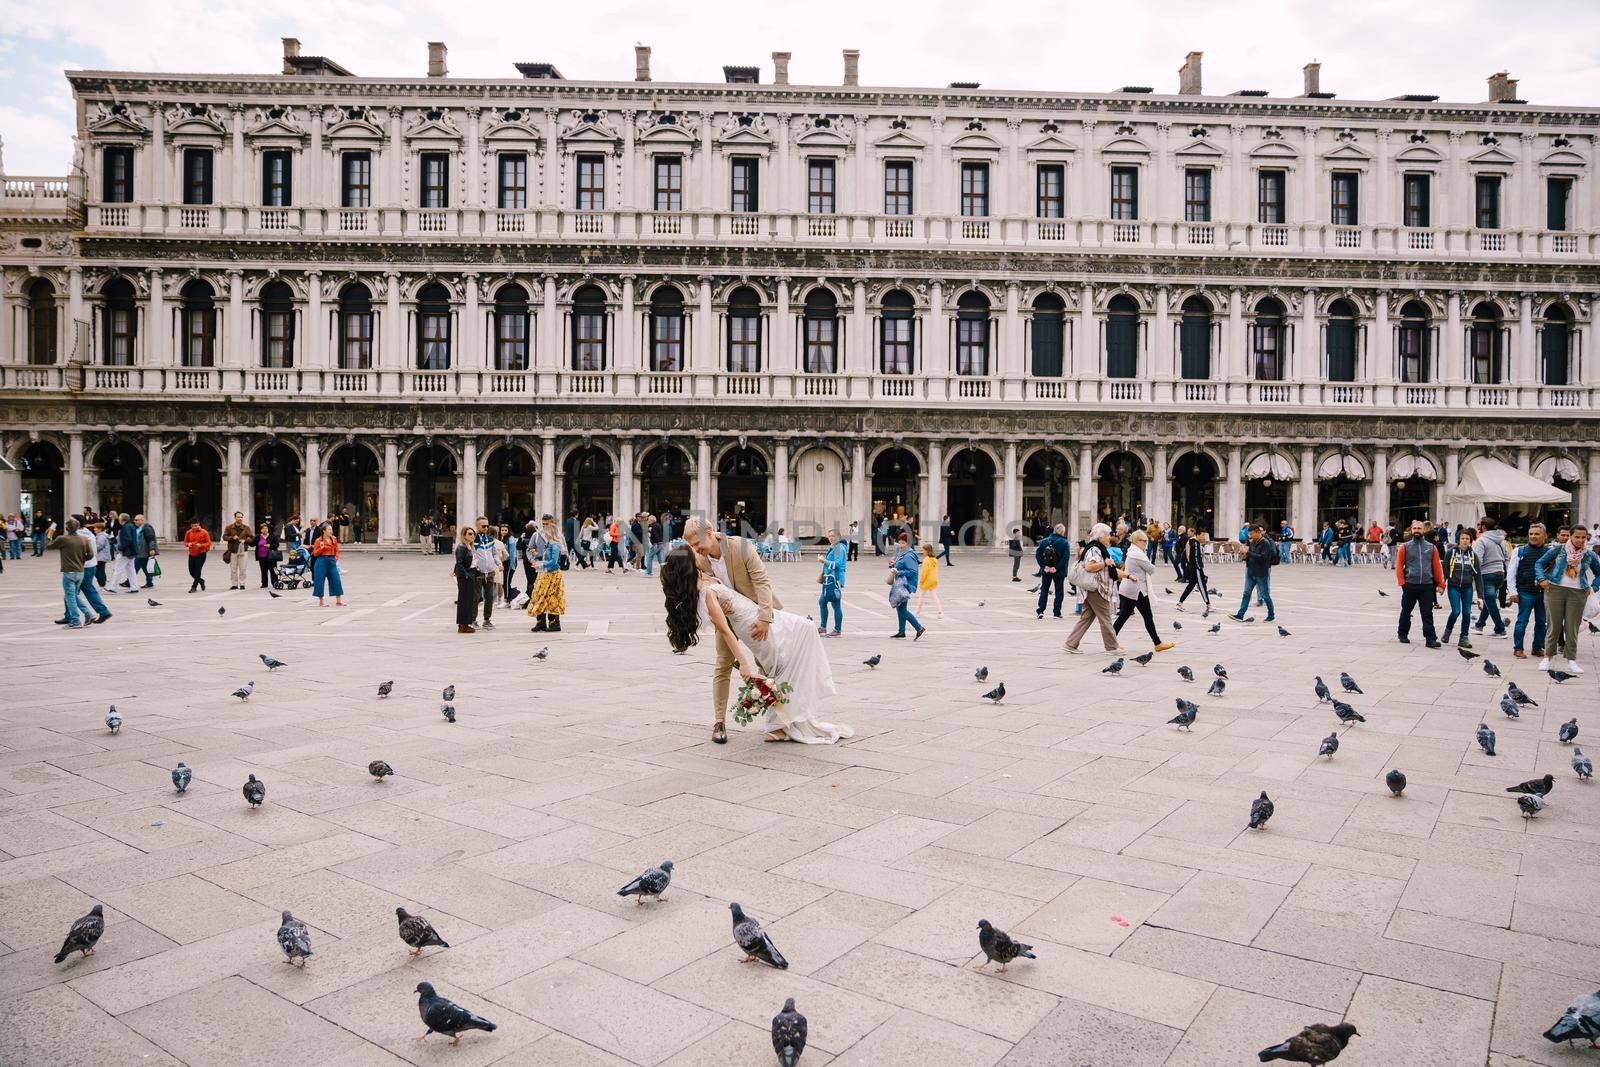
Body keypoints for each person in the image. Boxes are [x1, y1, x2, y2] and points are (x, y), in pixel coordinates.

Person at [662, 543, 851, 745]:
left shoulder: (704, 574)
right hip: (749, 625)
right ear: (690, 563)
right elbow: (725, 631)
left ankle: (785, 721)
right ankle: (768, 726)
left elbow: (749, 583)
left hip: (755, 615)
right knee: (783, 661)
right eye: (694, 553)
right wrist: (743, 662)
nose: (699, 554)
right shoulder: (705, 591)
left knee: (801, 638)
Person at [681, 515, 783, 745]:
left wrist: (766, 618)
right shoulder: (700, 558)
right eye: (692, 547)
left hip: (755, 613)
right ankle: (719, 722)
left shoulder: (741, 546)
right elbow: (697, 581)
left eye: (698, 544)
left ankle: (777, 724)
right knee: (723, 664)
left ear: (710, 533)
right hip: (726, 617)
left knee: (767, 664)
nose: (696, 550)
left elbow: (762, 582)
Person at [1535, 523, 1600, 673]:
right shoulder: (1558, 549)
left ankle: (1571, 661)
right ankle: (1548, 658)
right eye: (1577, 537)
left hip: (1578, 593)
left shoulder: (1589, 554)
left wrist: (1593, 587)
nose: (1580, 540)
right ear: (1570, 536)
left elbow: (1599, 574)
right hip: (1555, 589)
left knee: (1572, 628)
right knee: (1553, 625)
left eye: (1584, 537)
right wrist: (1542, 579)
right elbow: (1539, 563)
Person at [1111, 529, 1174, 651]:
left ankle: (1111, 641)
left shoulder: (1132, 551)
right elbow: (1151, 569)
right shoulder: (1137, 554)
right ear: (1137, 541)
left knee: (1123, 616)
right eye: (1144, 541)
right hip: (1136, 589)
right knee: (1147, 616)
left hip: (1128, 588)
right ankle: (1157, 643)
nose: (1146, 543)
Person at [1063, 523, 1121, 654]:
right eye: (1107, 535)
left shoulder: (1099, 548)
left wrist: (1127, 575)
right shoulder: (1094, 549)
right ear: (1100, 536)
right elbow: (1089, 567)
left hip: (1093, 588)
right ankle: (1112, 647)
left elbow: (1108, 569)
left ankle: (1070, 644)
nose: (1109, 537)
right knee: (1105, 618)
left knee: (1086, 617)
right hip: (1096, 588)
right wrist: (1105, 563)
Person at [1394, 519, 1446, 647]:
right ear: (1411, 530)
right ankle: (1402, 633)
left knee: (1427, 613)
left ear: (1424, 530)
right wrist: (1402, 583)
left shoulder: (1431, 547)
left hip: (1427, 586)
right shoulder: (1404, 547)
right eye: (1414, 528)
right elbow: (1399, 566)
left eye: (1419, 528)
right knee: (1406, 611)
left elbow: (1437, 567)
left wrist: (1441, 584)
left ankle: (1430, 639)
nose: (1417, 530)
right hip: (1410, 585)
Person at [1506, 523, 1549, 660]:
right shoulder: (1520, 551)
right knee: (1522, 621)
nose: (1533, 536)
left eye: (1537, 534)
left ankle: (1537, 648)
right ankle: (1518, 648)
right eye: (1531, 534)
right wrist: (1513, 592)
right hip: (1524, 592)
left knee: (1542, 622)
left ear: (1544, 536)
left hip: (1543, 593)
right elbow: (1511, 573)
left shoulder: (1549, 552)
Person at [46, 518, 97, 628]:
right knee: (74, 595)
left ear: (67, 528)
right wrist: (81, 560)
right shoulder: (84, 539)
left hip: (69, 571)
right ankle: (88, 614)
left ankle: (75, 621)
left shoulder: (63, 539)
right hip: (80, 570)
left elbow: (49, 546)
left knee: (70, 597)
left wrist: (49, 534)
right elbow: (91, 555)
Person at [1471, 516, 1509, 638]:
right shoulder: (1501, 540)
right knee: (1490, 601)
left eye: (1479, 525)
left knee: (1490, 601)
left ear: (1484, 527)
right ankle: (1479, 624)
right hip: (1500, 573)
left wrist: (1473, 575)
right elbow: (1506, 557)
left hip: (1487, 574)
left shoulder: (1481, 541)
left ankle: (1500, 629)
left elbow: (1477, 560)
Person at [1440, 529, 1478, 649]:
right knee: (1456, 611)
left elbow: (1478, 575)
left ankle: (1464, 637)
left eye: (1467, 538)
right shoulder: (1451, 553)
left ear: (1470, 541)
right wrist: (1442, 586)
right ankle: (1448, 631)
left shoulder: (1473, 555)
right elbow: (1445, 571)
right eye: (1463, 538)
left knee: (1467, 613)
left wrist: (1481, 595)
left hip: (1467, 587)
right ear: (1459, 540)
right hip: (1454, 586)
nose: (1465, 541)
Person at [1232, 525, 1278, 622]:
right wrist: (1245, 557)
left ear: (1258, 532)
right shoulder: (1252, 543)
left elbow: (1263, 558)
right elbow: (1251, 556)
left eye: (1252, 534)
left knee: (1265, 595)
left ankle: (1271, 615)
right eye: (1250, 534)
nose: (1250, 536)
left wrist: (1248, 553)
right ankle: (1240, 615)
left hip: (1261, 573)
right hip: (1251, 572)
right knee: (1246, 593)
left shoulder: (1266, 543)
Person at [529, 517, 568, 632]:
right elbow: (546, 557)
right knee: (539, 596)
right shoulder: (548, 544)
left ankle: (554, 623)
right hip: (545, 574)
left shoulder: (555, 545)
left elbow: (554, 561)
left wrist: (540, 565)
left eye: (546, 532)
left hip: (552, 574)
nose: (544, 534)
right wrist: (537, 557)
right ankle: (541, 622)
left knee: (552, 598)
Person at [888, 532, 926, 640]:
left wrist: (898, 572)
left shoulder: (909, 555)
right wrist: (892, 564)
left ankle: (919, 627)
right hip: (901, 584)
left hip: (905, 584)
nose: (900, 544)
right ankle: (901, 631)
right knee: (900, 608)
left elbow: (913, 571)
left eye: (903, 543)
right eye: (899, 542)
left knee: (902, 610)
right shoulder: (903, 553)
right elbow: (900, 565)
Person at [469, 518, 503, 629]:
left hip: (490, 572)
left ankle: (487, 619)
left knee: (489, 597)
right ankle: (473, 619)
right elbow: (471, 554)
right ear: (477, 526)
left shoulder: (490, 539)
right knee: (476, 597)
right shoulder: (473, 539)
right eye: (483, 526)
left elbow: (494, 554)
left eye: (487, 526)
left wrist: (499, 563)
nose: (486, 528)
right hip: (478, 572)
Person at [1034, 523, 1072, 619]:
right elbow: (1066, 558)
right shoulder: (1064, 542)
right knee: (1059, 591)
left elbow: (1038, 555)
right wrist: (1056, 568)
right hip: (1059, 571)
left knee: (1044, 590)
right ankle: (1057, 612)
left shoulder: (1044, 541)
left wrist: (1043, 566)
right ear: (1063, 532)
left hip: (1046, 570)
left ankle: (1040, 611)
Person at [816, 530, 847, 637]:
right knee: (824, 602)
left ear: (838, 537)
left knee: (834, 603)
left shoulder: (838, 548)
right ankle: (824, 627)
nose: (831, 538)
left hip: (835, 579)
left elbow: (838, 564)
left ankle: (835, 629)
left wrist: (824, 561)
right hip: (829, 579)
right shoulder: (835, 547)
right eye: (829, 536)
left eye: (833, 536)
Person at [1175, 531, 1211, 614]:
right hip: (1196, 568)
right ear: (1198, 535)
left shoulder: (1194, 542)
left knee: (1191, 586)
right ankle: (1208, 605)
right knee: (1202, 586)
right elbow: (1194, 556)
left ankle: (1179, 603)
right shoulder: (1195, 543)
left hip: (1194, 568)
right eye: (1202, 535)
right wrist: (1199, 567)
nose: (1204, 537)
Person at [311, 523, 345, 607]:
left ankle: (338, 601)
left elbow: (336, 550)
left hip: (331, 561)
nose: (331, 531)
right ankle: (321, 601)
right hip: (321, 561)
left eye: (331, 529)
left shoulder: (334, 539)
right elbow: (315, 554)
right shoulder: (318, 540)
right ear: (324, 531)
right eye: (329, 529)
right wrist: (321, 548)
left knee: (336, 579)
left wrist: (335, 558)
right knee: (319, 581)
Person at [452, 526, 478, 634]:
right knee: (464, 601)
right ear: (464, 535)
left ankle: (466, 623)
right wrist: (466, 575)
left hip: (471, 574)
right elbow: (459, 563)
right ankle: (462, 625)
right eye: (470, 534)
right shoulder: (461, 547)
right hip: (465, 576)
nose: (472, 536)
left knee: (469, 601)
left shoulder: (469, 547)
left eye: (473, 534)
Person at [222, 511, 251, 590]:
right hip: (233, 550)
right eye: (238, 517)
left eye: (241, 517)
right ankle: (234, 584)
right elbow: (224, 537)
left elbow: (252, 538)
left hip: (243, 551)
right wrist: (232, 538)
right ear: (235, 518)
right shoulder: (229, 527)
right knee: (233, 569)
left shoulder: (246, 527)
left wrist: (245, 540)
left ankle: (242, 584)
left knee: (243, 568)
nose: (240, 518)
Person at [917, 542, 944, 618]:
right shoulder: (934, 559)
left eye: (923, 550)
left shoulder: (926, 560)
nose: (923, 552)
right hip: (934, 580)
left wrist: (921, 581)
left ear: (927, 551)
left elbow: (924, 572)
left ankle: (917, 613)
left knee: (921, 596)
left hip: (927, 580)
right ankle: (940, 612)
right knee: (934, 596)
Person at [183, 520, 212, 593]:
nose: (194, 527)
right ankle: (201, 581)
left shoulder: (204, 532)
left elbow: (209, 543)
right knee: (191, 571)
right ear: (191, 526)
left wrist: (201, 545)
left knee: (197, 571)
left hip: (201, 553)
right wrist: (188, 544)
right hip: (191, 553)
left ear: (198, 524)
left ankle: (194, 587)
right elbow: (185, 542)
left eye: (196, 525)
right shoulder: (188, 532)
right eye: (193, 526)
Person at [254, 523, 278, 589]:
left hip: (271, 556)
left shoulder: (272, 536)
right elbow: (253, 543)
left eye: (266, 528)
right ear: (261, 530)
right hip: (261, 556)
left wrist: (270, 546)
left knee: (273, 570)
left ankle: (275, 582)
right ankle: (264, 583)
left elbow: (276, 545)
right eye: (263, 529)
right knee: (263, 570)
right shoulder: (258, 536)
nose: (265, 530)